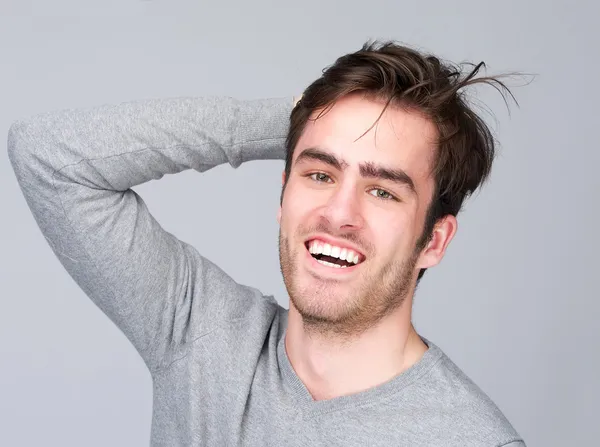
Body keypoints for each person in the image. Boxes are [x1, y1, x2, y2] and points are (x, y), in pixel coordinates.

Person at [8, 40, 526, 446]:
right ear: (283, 196)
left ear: (434, 241)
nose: (338, 214)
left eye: (382, 190)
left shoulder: (473, 439)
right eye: (320, 174)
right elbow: (50, 157)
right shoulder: (202, 337)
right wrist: (306, 118)